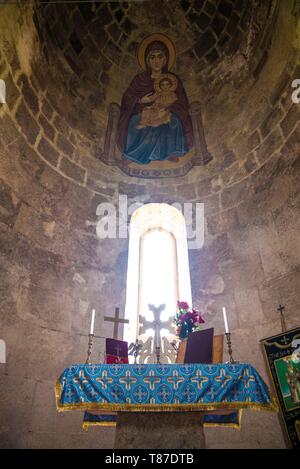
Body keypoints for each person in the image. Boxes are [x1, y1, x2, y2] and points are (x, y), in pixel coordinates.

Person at [117, 35, 193, 165]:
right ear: (147, 60)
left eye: (160, 56)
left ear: (165, 59)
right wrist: (141, 100)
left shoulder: (173, 79)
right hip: (143, 111)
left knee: (172, 122)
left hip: (167, 111)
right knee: (136, 122)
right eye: (152, 57)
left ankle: (169, 152)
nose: (156, 61)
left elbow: (182, 101)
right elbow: (127, 98)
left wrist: (168, 107)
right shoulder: (139, 79)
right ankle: (133, 154)